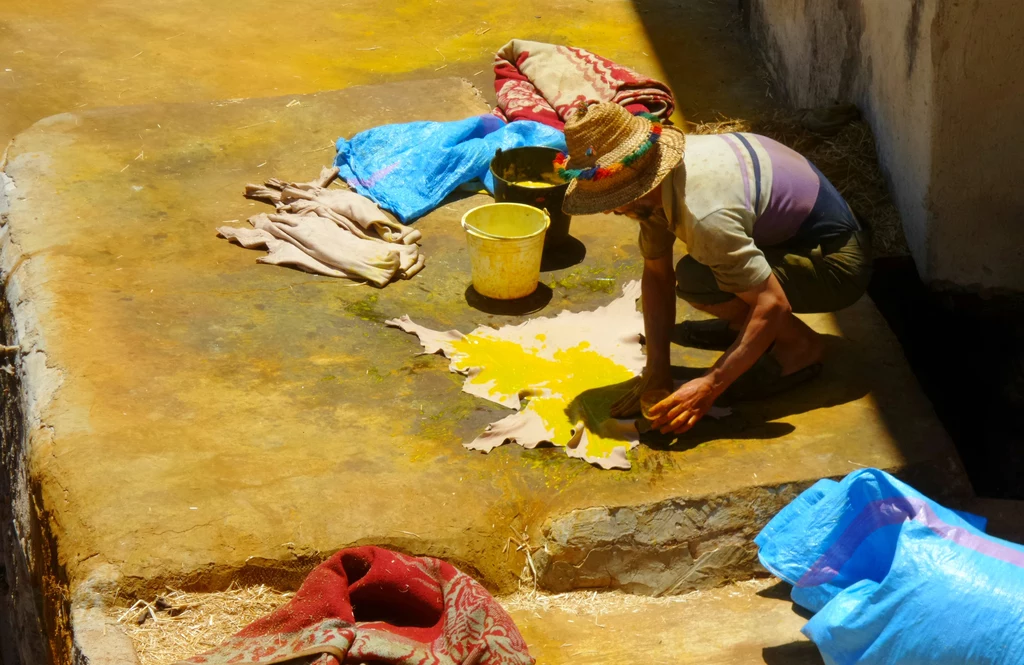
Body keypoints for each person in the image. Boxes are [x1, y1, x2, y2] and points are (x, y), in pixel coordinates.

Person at [557, 102, 872, 435]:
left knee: (699, 279)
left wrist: (711, 384)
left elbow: (773, 302)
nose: (607, 212)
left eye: (609, 200)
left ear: (635, 189)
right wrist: (656, 369)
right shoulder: (656, 181)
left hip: (835, 261)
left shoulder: (704, 215)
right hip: (790, 233)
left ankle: (799, 348)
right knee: (703, 273)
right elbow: (657, 275)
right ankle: (745, 328)